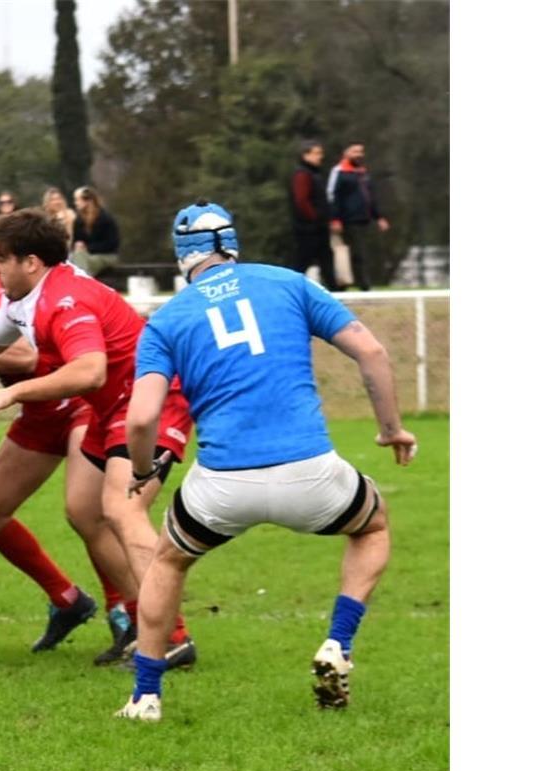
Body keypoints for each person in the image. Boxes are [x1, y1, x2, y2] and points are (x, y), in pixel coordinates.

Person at [113, 200, 416, 722]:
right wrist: (391, 430)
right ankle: (337, 643)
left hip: (222, 485)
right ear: (232, 242)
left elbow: (141, 419)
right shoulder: (287, 283)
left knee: (167, 561)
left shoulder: (166, 320)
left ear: (182, 255)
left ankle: (145, 696)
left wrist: (142, 471)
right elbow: (372, 353)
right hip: (311, 472)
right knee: (372, 526)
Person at [0, 208, 199, 668]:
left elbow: (89, 370)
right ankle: (139, 619)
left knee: (122, 511)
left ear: (31, 261)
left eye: (1, 259)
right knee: (85, 513)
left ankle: (171, 637)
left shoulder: (64, 299)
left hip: (151, 404)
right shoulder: (27, 297)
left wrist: (15, 395)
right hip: (113, 408)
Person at [0, 217, 140, 657]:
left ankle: (128, 616)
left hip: (79, 404)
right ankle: (68, 600)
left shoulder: (13, 291)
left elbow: (30, 358)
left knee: (87, 511)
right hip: (39, 412)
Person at [327, 143, 390, 291]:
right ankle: (363, 286)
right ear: (345, 153)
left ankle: (354, 284)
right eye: (354, 151)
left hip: (364, 219)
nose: (359, 154)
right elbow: (332, 196)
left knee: (360, 253)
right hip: (347, 219)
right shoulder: (339, 171)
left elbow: (370, 197)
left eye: (361, 151)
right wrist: (334, 219)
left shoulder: (361, 172)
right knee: (356, 253)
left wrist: (379, 217)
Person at [289, 140, 338, 289]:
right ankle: (289, 287)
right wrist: (315, 218)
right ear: (306, 155)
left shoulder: (314, 174)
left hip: (318, 227)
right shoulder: (302, 174)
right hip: (309, 228)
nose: (320, 157)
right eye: (316, 153)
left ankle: (334, 289)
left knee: (326, 260)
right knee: (303, 261)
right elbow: (301, 200)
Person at [70, 187, 120, 276]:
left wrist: (87, 248)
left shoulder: (105, 219)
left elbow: (112, 244)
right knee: (73, 257)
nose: (75, 203)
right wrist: (78, 246)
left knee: (81, 260)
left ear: (88, 201)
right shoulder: (78, 221)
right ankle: (84, 281)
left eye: (78, 200)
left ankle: (82, 284)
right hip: (84, 256)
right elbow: (75, 242)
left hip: (106, 256)